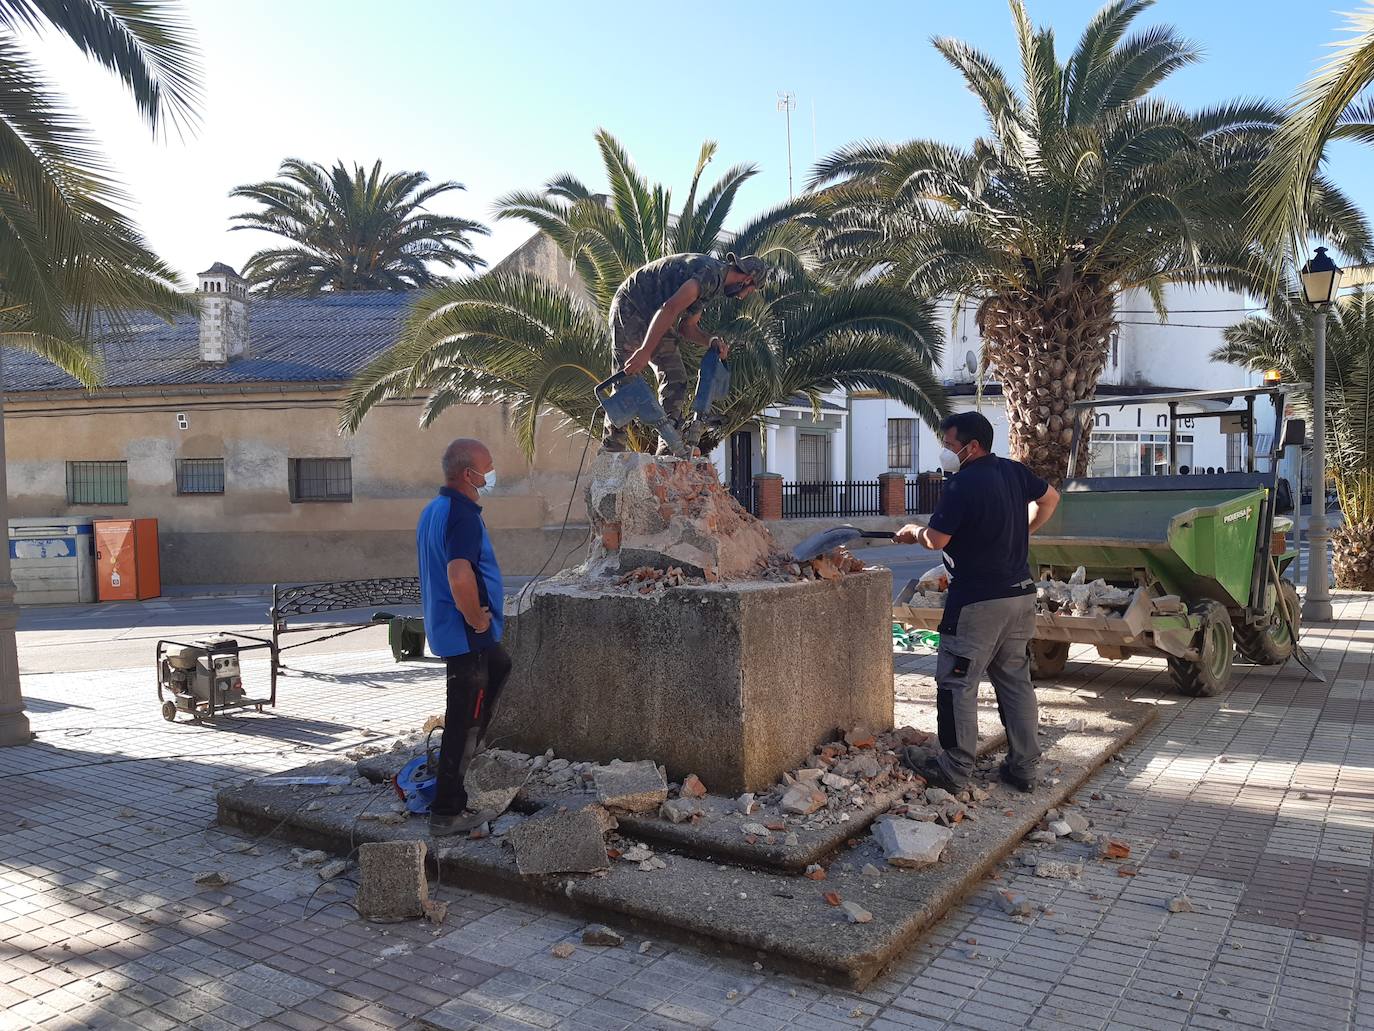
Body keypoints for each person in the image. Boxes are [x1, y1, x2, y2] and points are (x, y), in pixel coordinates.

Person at [894, 413, 1061, 793]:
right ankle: (1024, 768)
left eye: (950, 446)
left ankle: (953, 769)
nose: (945, 453)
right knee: (1016, 682)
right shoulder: (1013, 472)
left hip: (978, 604)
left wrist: (914, 531)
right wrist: (1023, 531)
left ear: (972, 447)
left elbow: (936, 540)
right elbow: (1051, 499)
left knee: (957, 681)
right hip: (1020, 596)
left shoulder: (962, 484)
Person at [416, 438, 512, 835]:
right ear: (469, 474)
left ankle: (468, 753)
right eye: (487, 467)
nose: (492, 474)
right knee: (463, 722)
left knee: (500, 664)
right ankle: (447, 811)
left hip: (458, 632)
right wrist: (476, 620)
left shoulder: (435, 509)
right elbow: (459, 575)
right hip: (466, 634)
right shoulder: (461, 515)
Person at [604, 252, 773, 451]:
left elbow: (687, 327)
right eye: (750, 291)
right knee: (627, 378)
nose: (742, 296)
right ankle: (611, 450)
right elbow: (669, 308)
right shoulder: (710, 274)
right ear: (748, 279)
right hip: (631, 305)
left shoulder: (713, 284)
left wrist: (711, 340)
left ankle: (668, 450)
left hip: (656, 316)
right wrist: (645, 351)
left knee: (675, 378)